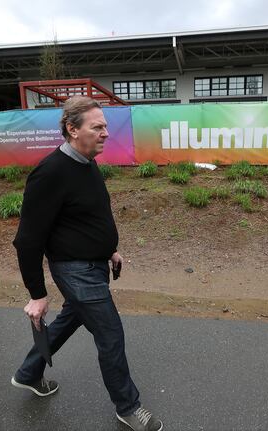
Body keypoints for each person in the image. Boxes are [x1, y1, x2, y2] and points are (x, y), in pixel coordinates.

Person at [10, 96, 163, 431]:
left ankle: (28, 372)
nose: (106, 133)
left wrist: (109, 249)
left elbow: (88, 217)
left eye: (106, 126)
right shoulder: (50, 173)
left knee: (71, 319)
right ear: (72, 129)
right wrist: (37, 294)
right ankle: (128, 407)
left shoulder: (87, 162)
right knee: (110, 334)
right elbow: (27, 240)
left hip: (94, 264)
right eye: (98, 127)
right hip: (76, 271)